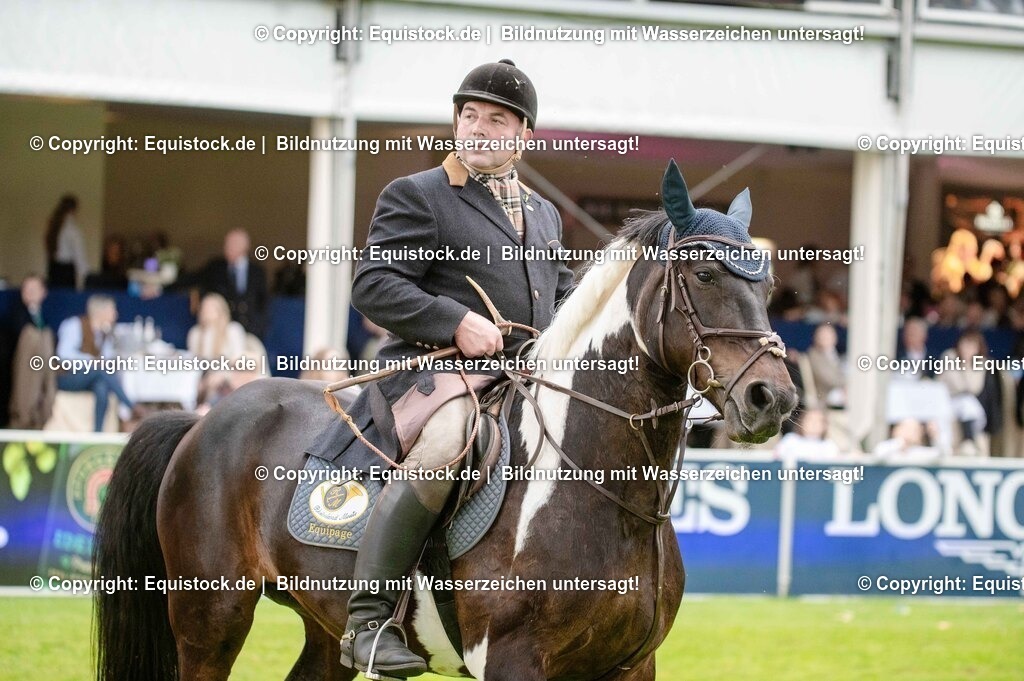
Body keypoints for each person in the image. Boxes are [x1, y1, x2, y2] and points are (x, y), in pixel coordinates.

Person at [309, 59, 575, 678]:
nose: (479, 129)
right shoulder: (418, 194)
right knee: (449, 444)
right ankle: (370, 623)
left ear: (523, 135)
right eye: (469, 116)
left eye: (496, 119)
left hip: (516, 377)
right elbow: (373, 284)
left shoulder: (544, 215)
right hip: (433, 372)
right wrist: (455, 320)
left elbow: (561, 296)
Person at [55, 295, 142, 431]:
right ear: (101, 312)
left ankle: (97, 433)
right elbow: (64, 355)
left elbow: (106, 359)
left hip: (91, 378)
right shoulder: (74, 325)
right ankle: (132, 406)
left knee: (101, 385)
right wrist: (91, 361)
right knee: (100, 371)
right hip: (67, 377)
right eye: (112, 310)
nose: (116, 314)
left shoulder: (104, 332)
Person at [193, 229, 268, 338]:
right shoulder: (215, 267)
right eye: (227, 244)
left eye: (233, 244)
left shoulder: (257, 271)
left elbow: (263, 302)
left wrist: (258, 328)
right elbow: (195, 279)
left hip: (250, 332)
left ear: (245, 247)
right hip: (221, 334)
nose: (227, 247)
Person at [8, 275, 57, 428]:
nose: (29, 292)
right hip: (23, 372)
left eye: (33, 289)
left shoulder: (47, 316)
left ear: (43, 292)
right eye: (26, 289)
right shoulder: (15, 315)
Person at [44, 194, 89, 289]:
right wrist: (88, 277)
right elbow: (79, 255)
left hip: (53, 269)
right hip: (66, 273)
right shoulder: (72, 229)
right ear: (74, 210)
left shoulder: (54, 227)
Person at [806, 323, 846, 408]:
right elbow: (828, 380)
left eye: (829, 335)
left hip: (840, 396)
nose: (826, 338)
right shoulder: (813, 356)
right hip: (825, 400)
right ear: (816, 337)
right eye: (822, 335)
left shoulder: (833, 354)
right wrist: (848, 385)